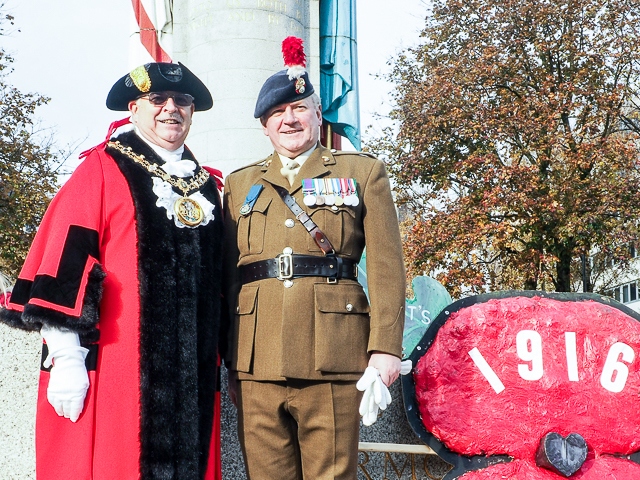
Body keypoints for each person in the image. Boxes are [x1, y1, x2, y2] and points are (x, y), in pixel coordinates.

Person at [0, 62, 224, 480]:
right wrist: (66, 357)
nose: (171, 108)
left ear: (193, 112)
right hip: (121, 375)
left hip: (193, 382)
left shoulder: (209, 187)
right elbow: (61, 268)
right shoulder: (101, 170)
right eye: (157, 100)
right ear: (134, 109)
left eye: (182, 101)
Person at [222, 37, 406, 480]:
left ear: (317, 116)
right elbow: (228, 275)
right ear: (264, 126)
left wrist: (385, 349)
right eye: (277, 114)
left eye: (299, 108)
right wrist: (224, 353)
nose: (289, 119)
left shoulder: (360, 172)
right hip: (255, 359)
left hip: (333, 355)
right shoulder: (237, 183)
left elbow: (385, 266)